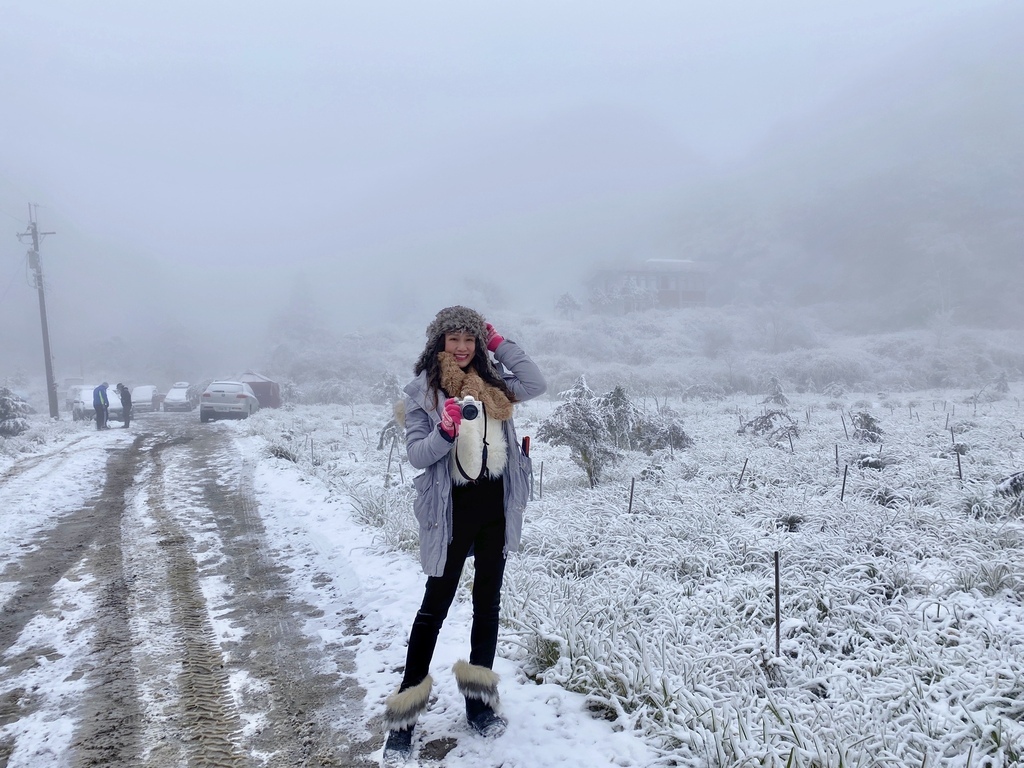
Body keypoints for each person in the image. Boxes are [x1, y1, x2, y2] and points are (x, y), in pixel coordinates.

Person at [382, 306, 546, 762]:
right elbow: (418, 454)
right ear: (438, 344)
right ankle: (404, 716)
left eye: (469, 339)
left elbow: (535, 382)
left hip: (495, 507)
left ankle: (479, 704)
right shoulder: (422, 394)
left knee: (487, 606)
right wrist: (446, 431)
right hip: (450, 515)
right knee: (433, 610)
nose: (462, 348)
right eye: (453, 339)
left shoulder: (496, 386)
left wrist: (499, 343)